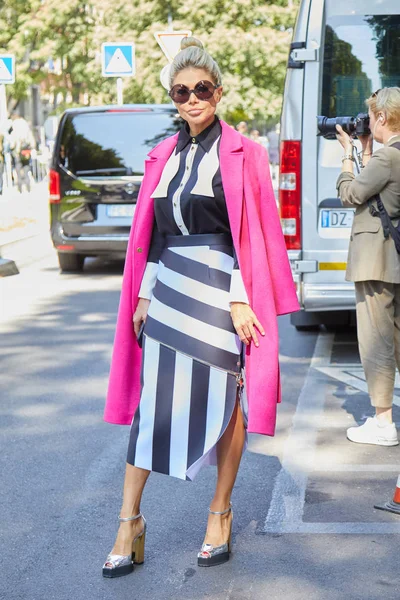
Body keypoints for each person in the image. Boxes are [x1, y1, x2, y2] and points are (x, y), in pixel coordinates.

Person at [103, 36, 299, 577]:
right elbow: (153, 236)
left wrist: (241, 297)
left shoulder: (245, 152)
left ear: (219, 91)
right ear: (173, 97)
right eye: (182, 91)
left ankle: (219, 513)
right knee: (154, 406)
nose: (192, 99)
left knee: (225, 398)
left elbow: (251, 235)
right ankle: (130, 520)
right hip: (168, 290)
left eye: (202, 89)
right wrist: (144, 293)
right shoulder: (162, 155)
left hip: (221, 290)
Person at [336, 87, 400, 447]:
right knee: (396, 338)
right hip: (393, 258)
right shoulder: (394, 154)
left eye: (373, 115)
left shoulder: (387, 158)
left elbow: (352, 194)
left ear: (382, 117)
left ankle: (383, 422)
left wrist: (347, 158)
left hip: (375, 260)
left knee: (375, 341)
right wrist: (365, 150)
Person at [8, 112, 35, 193]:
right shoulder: (25, 125)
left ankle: (20, 188)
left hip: (18, 151)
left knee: (18, 168)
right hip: (26, 151)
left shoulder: (14, 125)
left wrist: (12, 147)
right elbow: (31, 139)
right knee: (26, 168)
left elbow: (12, 143)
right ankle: (28, 186)